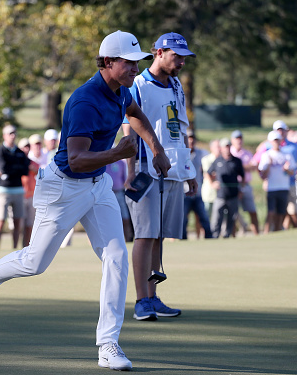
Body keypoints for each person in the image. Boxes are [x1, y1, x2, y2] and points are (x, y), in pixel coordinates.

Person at [0, 30, 169, 371]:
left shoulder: (122, 91)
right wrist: (117, 152)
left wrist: (156, 149)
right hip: (62, 187)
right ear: (107, 62)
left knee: (116, 256)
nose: (135, 68)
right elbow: (75, 160)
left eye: (138, 62)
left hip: (97, 185)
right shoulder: (85, 101)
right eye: (129, 63)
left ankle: (108, 344)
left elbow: (134, 114)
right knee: (34, 262)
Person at [122, 32, 196, 322]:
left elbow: (182, 128)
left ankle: (153, 297)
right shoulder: (138, 84)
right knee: (145, 234)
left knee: (159, 235)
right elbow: (128, 127)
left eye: (183, 59)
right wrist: (130, 170)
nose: (180, 63)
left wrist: (189, 169)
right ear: (159, 52)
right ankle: (141, 300)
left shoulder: (177, 84)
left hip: (174, 169)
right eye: (176, 57)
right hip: (145, 167)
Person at [0, 124, 30, 249]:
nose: (13, 136)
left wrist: (11, 169)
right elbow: (3, 168)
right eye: (10, 133)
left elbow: (25, 170)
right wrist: (15, 168)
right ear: (4, 136)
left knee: (18, 221)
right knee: (0, 220)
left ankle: (15, 248)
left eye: (14, 133)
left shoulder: (19, 152)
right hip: (4, 190)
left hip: (18, 189)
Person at [258, 131, 295, 233]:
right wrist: (269, 165)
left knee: (281, 212)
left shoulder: (287, 155)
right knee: (271, 212)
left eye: (278, 140)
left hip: (283, 187)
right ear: (270, 142)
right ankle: (266, 232)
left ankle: (277, 231)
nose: (276, 142)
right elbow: (262, 174)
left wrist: (287, 169)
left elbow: (292, 172)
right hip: (272, 187)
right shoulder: (266, 155)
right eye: (274, 141)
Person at [208, 138, 245, 238]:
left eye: (228, 146)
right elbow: (208, 172)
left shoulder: (236, 161)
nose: (227, 148)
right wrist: (212, 183)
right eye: (225, 146)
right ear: (222, 148)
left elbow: (242, 176)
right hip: (220, 195)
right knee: (217, 218)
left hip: (233, 194)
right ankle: (215, 236)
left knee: (231, 218)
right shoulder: (218, 160)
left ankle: (227, 235)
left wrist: (241, 189)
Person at [183, 130, 212, 239]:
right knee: (183, 219)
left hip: (198, 193)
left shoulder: (201, 153)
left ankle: (209, 237)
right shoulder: (182, 154)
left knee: (203, 217)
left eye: (193, 138)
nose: (191, 140)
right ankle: (183, 238)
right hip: (184, 193)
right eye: (189, 138)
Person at [230, 130, 259, 235]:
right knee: (233, 213)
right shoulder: (229, 152)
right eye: (236, 138)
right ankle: (233, 236)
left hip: (246, 185)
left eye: (240, 138)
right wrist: (244, 167)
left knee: (252, 211)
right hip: (233, 186)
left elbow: (253, 166)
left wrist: (238, 167)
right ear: (232, 140)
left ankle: (257, 236)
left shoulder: (247, 153)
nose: (239, 141)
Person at [106, 157, 134, 242]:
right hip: (106, 194)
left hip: (119, 193)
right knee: (106, 219)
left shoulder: (121, 163)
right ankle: (108, 240)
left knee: (125, 218)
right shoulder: (103, 162)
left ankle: (128, 239)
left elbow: (124, 179)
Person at [17, 137, 39, 247]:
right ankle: (16, 246)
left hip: (31, 196)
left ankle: (26, 246)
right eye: (24, 147)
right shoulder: (16, 163)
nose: (26, 149)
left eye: (28, 147)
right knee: (18, 225)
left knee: (29, 225)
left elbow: (39, 173)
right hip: (20, 196)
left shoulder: (33, 163)